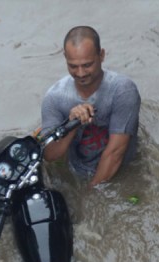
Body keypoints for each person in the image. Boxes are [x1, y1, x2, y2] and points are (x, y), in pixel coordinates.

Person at [41, 26, 141, 188]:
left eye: (87, 65)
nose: (80, 73)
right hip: (76, 170)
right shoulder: (54, 98)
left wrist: (91, 193)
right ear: (65, 57)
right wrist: (70, 124)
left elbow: (115, 153)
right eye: (73, 66)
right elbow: (50, 155)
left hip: (123, 170)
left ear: (101, 55)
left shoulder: (122, 90)